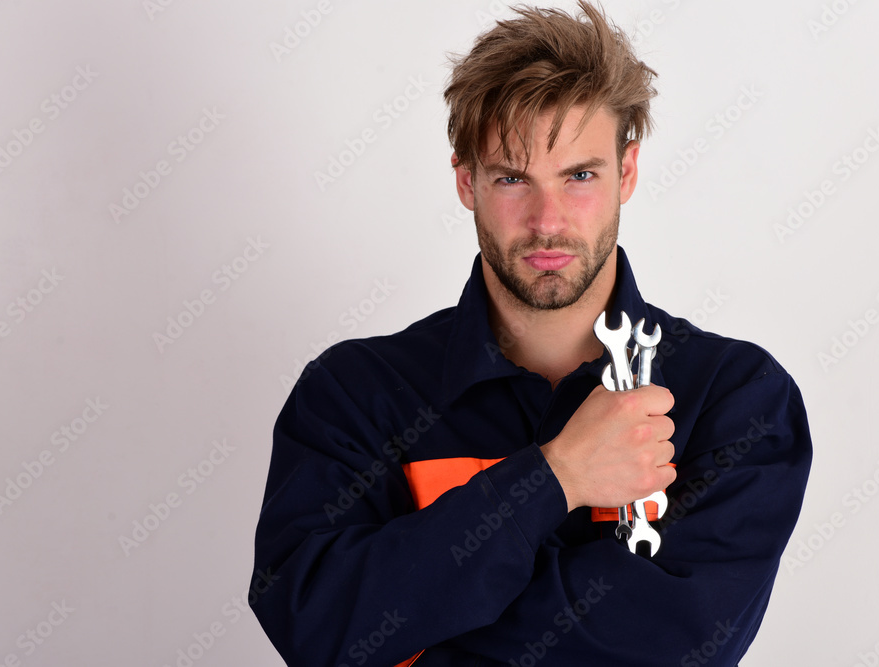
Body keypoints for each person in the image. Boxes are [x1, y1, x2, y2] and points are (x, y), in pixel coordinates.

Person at [250, 2, 812, 665]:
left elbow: (677, 647)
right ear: (466, 180)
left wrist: (416, 621)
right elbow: (316, 624)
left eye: (579, 175)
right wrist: (559, 475)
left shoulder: (736, 400)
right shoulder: (353, 397)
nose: (548, 221)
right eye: (513, 178)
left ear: (626, 173)